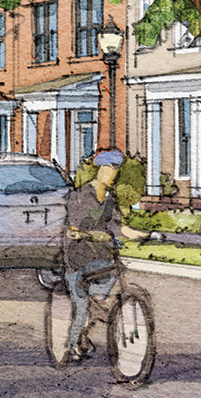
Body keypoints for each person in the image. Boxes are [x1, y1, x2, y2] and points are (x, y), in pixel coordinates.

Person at [61, 149, 144, 364]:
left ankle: (97, 306)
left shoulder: (109, 201)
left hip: (101, 259)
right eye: (108, 169)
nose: (112, 174)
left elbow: (117, 227)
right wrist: (86, 234)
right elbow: (74, 228)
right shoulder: (80, 196)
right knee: (81, 311)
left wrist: (142, 234)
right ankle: (72, 344)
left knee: (107, 285)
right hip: (78, 261)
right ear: (99, 170)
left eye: (115, 170)